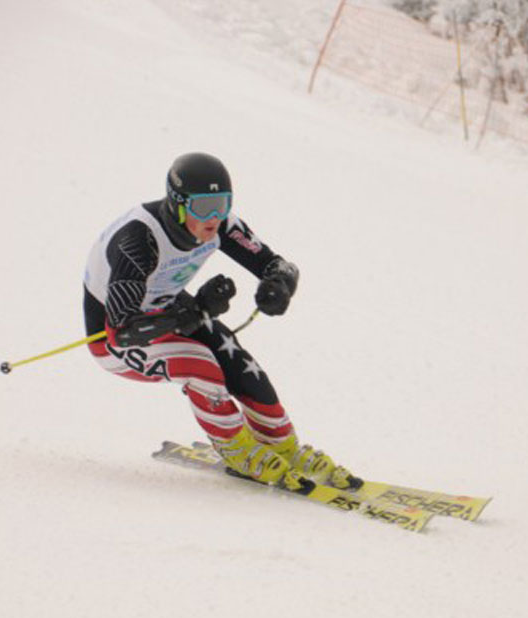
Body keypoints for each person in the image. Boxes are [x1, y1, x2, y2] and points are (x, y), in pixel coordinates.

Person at [83, 152, 357, 491]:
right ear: (178, 205)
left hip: (167, 311)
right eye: (203, 207)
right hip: (112, 339)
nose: (213, 217)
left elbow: (279, 265)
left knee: (235, 359)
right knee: (200, 364)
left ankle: (282, 445)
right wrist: (196, 310)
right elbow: (123, 332)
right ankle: (236, 449)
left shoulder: (222, 225)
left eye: (222, 204)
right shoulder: (137, 241)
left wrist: (278, 286)